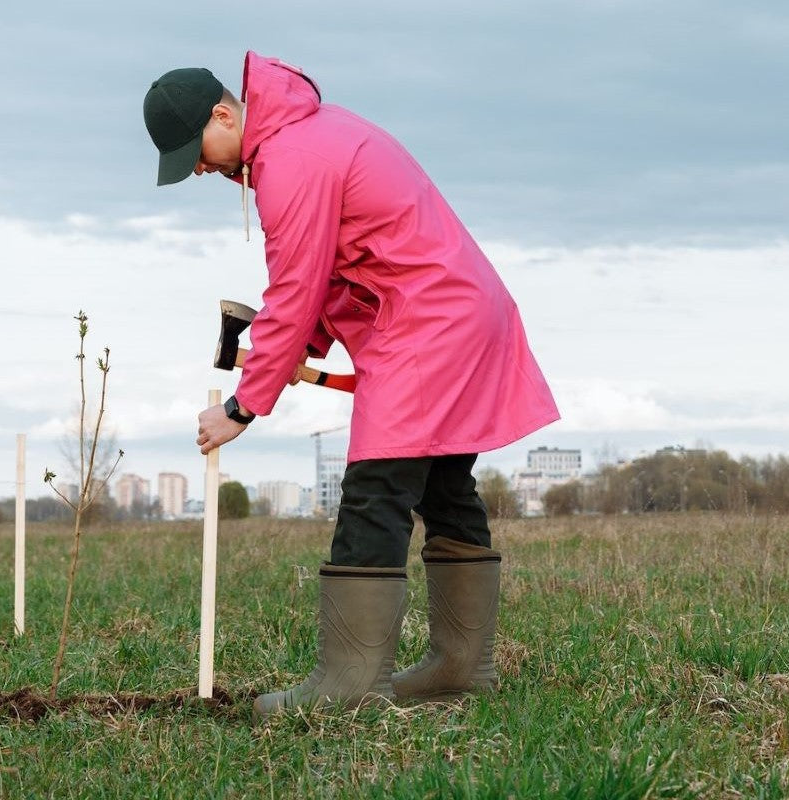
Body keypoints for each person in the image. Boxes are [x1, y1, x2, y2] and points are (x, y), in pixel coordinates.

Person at [144, 52, 559, 719]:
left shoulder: (290, 163)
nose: (198, 167)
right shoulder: (311, 134)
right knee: (446, 485)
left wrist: (242, 405)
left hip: (426, 323)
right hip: (456, 310)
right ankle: (460, 667)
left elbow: (295, 289)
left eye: (195, 150)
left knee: (375, 489)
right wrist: (291, 352)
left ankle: (349, 684)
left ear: (224, 114)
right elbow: (326, 288)